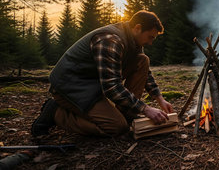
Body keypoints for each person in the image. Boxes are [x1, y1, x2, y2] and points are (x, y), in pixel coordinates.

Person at [31, 10, 173, 137]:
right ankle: (56, 112)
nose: (150, 43)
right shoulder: (110, 40)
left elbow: (143, 71)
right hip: (71, 88)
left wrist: (159, 99)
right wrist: (145, 108)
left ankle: (127, 114)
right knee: (116, 127)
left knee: (142, 60)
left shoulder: (134, 41)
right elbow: (111, 87)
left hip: (93, 85)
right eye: (150, 37)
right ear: (137, 28)